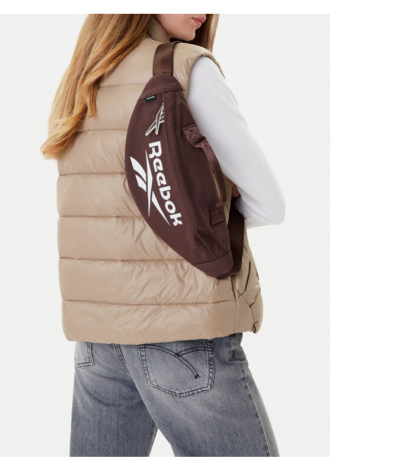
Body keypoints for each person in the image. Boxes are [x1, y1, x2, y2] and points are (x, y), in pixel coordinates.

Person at [41, 14, 285, 457]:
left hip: (98, 342)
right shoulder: (184, 69)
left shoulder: (82, 81)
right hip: (182, 333)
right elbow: (269, 203)